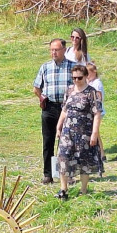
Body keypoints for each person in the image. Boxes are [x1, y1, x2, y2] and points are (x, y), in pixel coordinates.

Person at [56, 64, 103, 199]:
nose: (76, 80)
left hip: (84, 132)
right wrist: (58, 126)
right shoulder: (69, 90)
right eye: (74, 78)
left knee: (83, 160)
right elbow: (65, 110)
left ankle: (83, 190)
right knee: (63, 156)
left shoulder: (91, 92)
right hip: (67, 131)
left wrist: (94, 133)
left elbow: (97, 114)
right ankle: (63, 189)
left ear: (86, 77)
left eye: (79, 78)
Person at [34, 39, 75, 184]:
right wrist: (42, 98)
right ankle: (48, 174)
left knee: (67, 143)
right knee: (48, 141)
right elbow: (36, 87)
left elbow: (80, 86)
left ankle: (67, 174)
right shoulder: (45, 67)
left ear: (64, 50)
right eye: (52, 50)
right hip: (49, 108)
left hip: (66, 109)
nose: (54, 53)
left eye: (56, 50)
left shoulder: (72, 67)